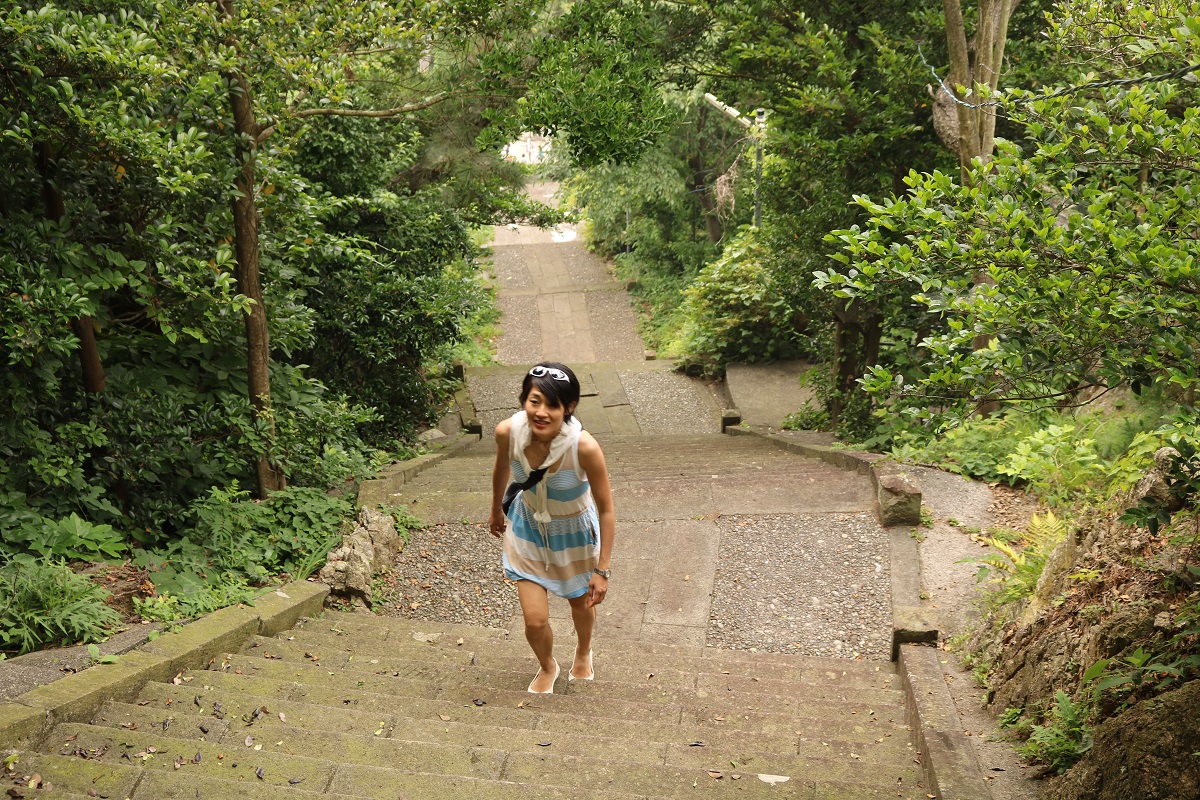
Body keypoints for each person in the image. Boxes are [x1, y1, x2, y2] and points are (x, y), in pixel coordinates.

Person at [489, 362, 615, 693]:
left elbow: (607, 509)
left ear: (568, 407)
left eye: (552, 405)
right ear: (524, 400)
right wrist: (495, 509)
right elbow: (501, 468)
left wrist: (603, 569)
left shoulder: (583, 447)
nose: (541, 412)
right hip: (528, 528)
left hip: (574, 534)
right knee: (534, 620)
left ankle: (583, 650)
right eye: (534, 401)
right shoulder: (507, 433)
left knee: (580, 605)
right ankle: (547, 665)